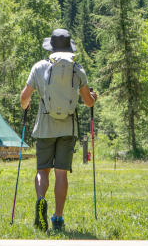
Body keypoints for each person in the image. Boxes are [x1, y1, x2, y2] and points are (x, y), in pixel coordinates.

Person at [20, 27, 97, 232]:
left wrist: (25, 105)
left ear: (51, 47)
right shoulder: (77, 69)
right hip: (67, 128)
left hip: (45, 127)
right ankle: (58, 218)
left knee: (42, 169)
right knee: (61, 174)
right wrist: (94, 97)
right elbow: (88, 102)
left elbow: (24, 98)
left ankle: (40, 200)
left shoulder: (39, 67)